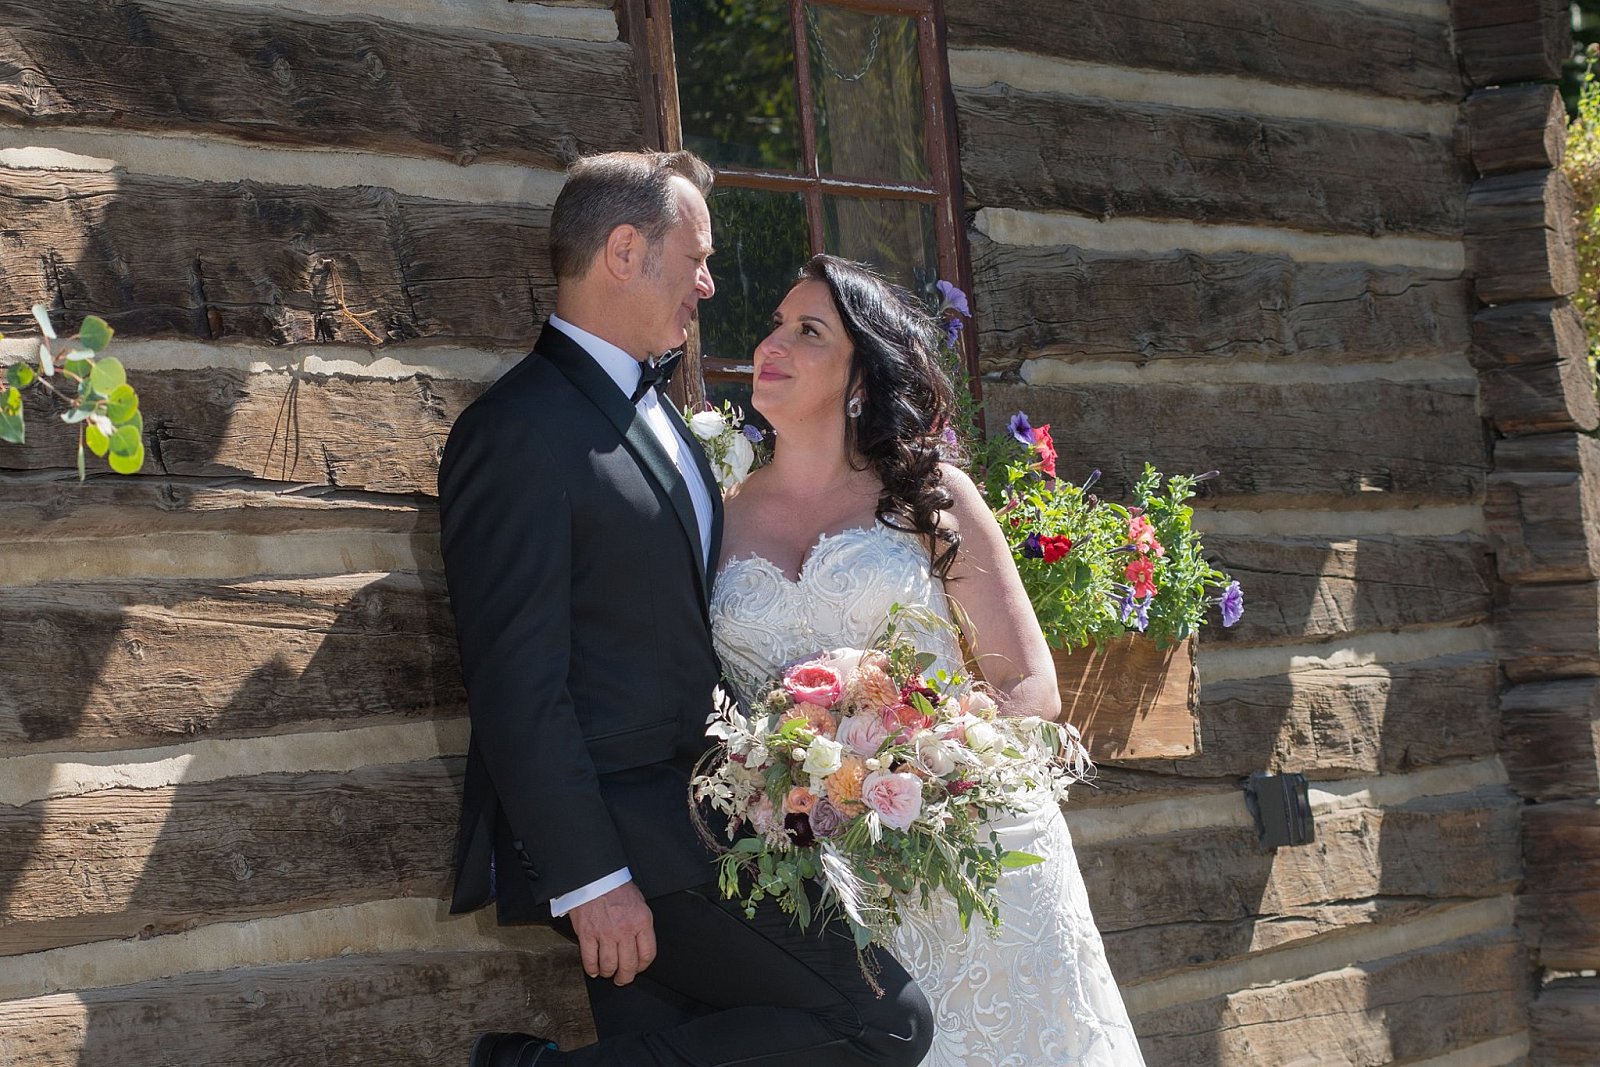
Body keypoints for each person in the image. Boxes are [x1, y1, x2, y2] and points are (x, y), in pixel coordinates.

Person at [438, 153, 932, 1067]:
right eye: (696, 258)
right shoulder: (514, 432)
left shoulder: (669, 419)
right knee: (884, 1019)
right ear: (625, 252)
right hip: (631, 839)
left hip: (713, 823)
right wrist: (592, 876)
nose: (708, 284)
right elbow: (515, 682)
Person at [709, 254, 1147, 1065]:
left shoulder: (927, 494)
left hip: (971, 856)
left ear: (861, 378)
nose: (772, 343)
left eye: (809, 331)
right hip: (819, 881)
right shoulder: (717, 515)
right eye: (775, 324)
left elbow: (1027, 683)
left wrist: (926, 772)